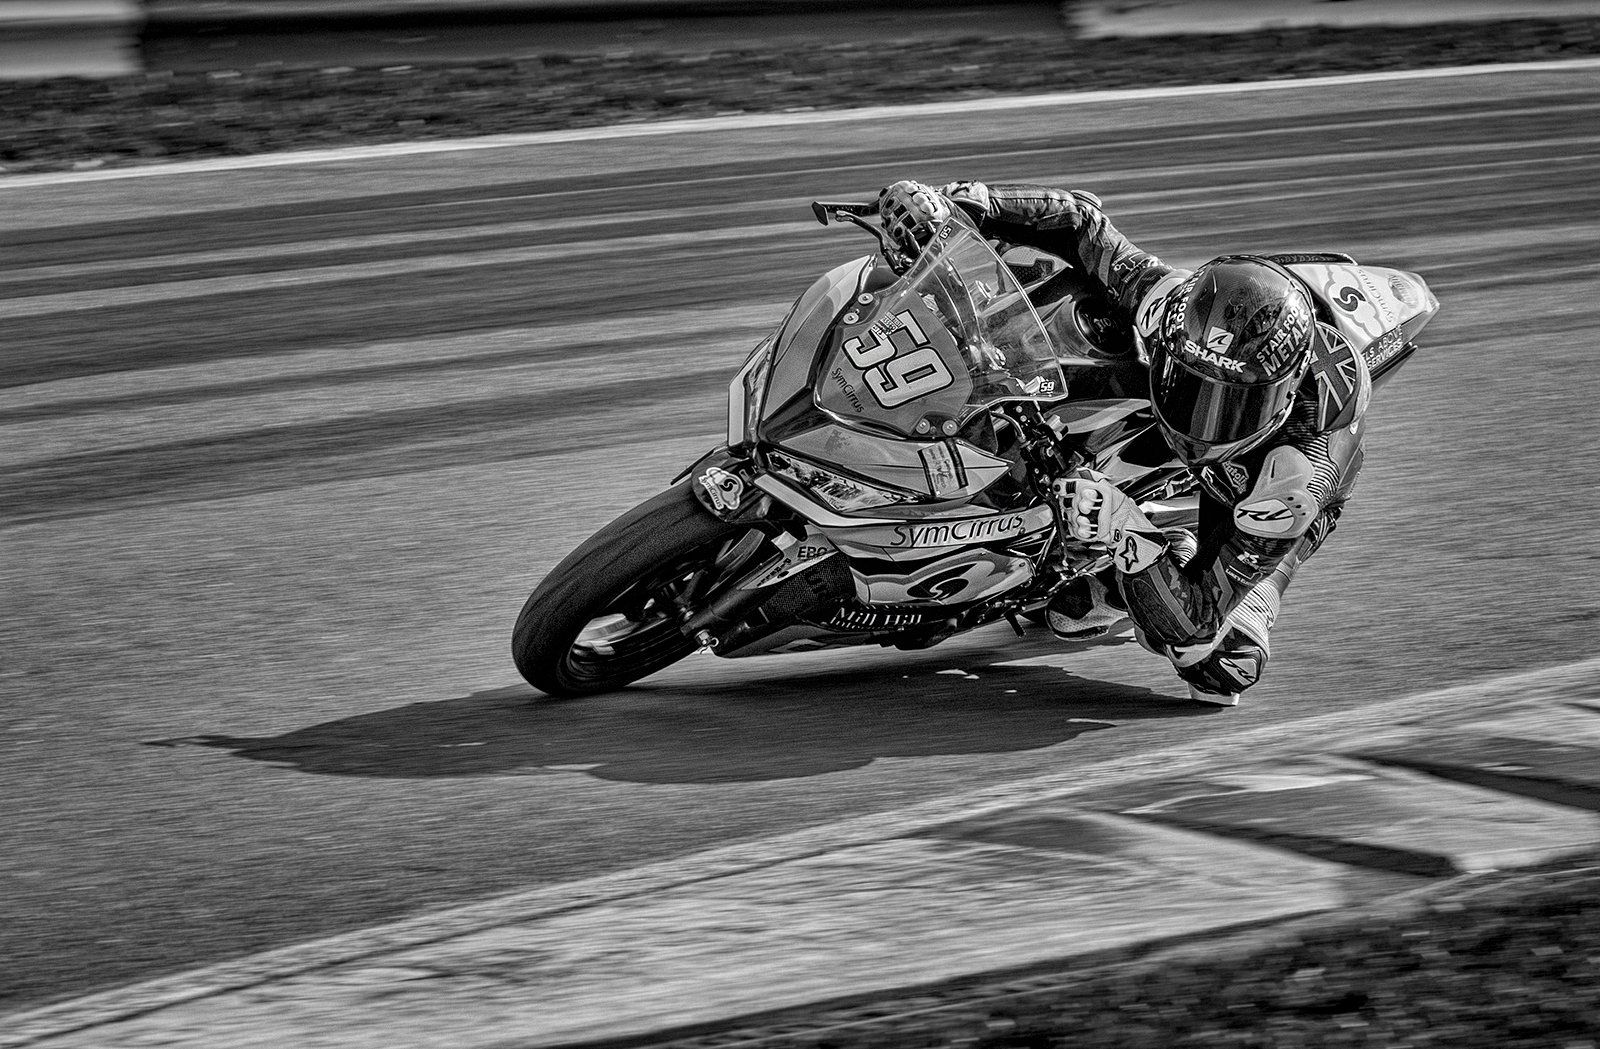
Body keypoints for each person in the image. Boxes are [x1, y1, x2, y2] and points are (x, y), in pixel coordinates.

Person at [877, 179, 1371, 706]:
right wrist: (973, 204)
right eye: (1193, 386)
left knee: (1219, 665)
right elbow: (1082, 223)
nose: (1202, 417)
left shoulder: (1292, 483)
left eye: (1229, 404)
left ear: (1281, 396)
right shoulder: (1170, 310)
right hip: (1178, 395)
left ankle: (1162, 546)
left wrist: (1125, 529)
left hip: (1244, 493)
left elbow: (1198, 623)